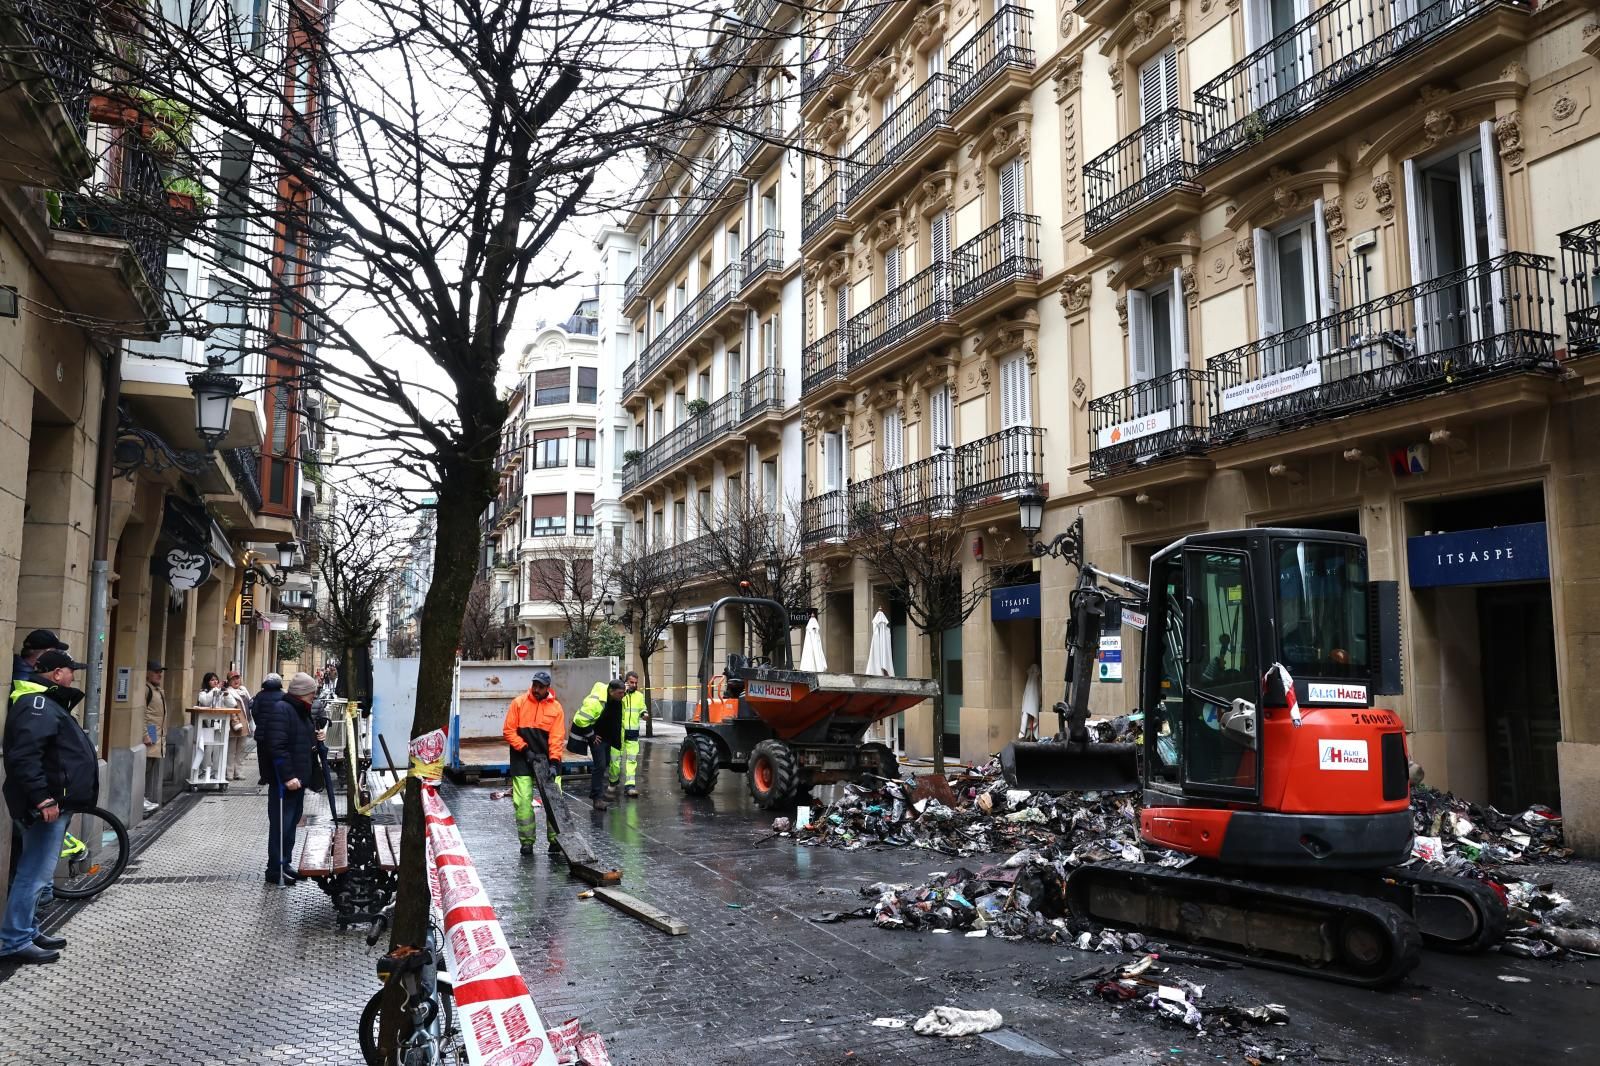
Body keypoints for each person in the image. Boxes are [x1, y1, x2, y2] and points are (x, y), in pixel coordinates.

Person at [2, 649, 95, 963]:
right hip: (46, 804)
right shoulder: (37, 705)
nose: (73, 676)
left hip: (55, 802)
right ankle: (13, 939)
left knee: (37, 874)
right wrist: (42, 798)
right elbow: (25, 756)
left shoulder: (43, 703)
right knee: (33, 874)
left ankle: (27, 930)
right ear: (57, 673)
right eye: (70, 670)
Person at [254, 672, 327, 886]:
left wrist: (316, 737)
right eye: (312, 692)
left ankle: (285, 863)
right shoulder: (283, 710)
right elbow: (276, 746)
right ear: (303, 693)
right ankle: (275, 869)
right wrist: (287, 777)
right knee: (281, 825)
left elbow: (299, 740)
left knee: (291, 824)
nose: (314, 695)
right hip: (285, 783)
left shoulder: (299, 710)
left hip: (298, 780)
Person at [502, 670, 567, 857]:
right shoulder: (519, 703)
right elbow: (509, 731)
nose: (536, 689)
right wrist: (525, 750)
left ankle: (555, 841)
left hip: (547, 760)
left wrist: (554, 763)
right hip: (522, 759)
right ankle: (527, 843)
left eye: (540, 686)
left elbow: (556, 738)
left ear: (548, 688)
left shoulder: (556, 708)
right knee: (523, 803)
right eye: (534, 685)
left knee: (555, 801)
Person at [573, 679, 622, 811]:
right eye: (620, 693)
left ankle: (597, 794)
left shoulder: (614, 696)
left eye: (623, 693)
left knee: (605, 763)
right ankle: (597, 799)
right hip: (597, 738)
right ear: (611, 691)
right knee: (599, 766)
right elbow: (580, 719)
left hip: (606, 737)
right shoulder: (595, 702)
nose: (622, 696)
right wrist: (591, 735)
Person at [606, 671, 647, 800]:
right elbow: (612, 704)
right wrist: (623, 692)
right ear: (626, 682)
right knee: (615, 760)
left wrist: (644, 713)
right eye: (631, 682)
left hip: (633, 732)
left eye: (635, 683)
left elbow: (642, 708)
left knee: (632, 760)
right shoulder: (620, 695)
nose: (634, 685)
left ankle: (630, 786)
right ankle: (613, 782)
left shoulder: (639, 696)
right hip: (619, 732)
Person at [142, 661, 167, 814]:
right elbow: (144, 713)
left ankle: (145, 797)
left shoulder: (157, 690)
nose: (159, 674)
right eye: (156, 671)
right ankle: (142, 798)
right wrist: (146, 734)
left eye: (160, 672)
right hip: (152, 729)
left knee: (150, 765)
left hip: (157, 730)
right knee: (146, 764)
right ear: (147, 672)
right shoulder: (147, 689)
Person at [221, 671, 254, 781]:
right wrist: (235, 722)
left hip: (245, 723)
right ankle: (229, 773)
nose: (236, 681)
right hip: (234, 723)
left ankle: (238, 772)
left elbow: (249, 706)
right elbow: (229, 708)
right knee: (231, 750)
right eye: (233, 679)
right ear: (229, 681)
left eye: (237, 678)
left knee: (241, 750)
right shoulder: (227, 692)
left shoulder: (243, 690)